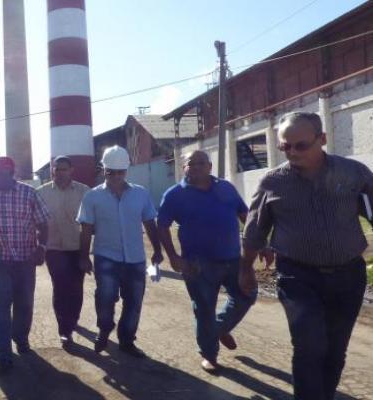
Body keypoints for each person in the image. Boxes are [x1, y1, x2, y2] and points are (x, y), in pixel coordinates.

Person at [240, 112, 373, 400]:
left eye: (300, 145)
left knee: (335, 348)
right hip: (297, 277)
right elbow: (254, 232)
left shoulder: (354, 174)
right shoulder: (273, 183)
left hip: (348, 276)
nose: (292, 153)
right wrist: (246, 269)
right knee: (309, 345)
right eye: (285, 147)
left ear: (322, 139)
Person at [157, 150, 258, 372]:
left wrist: (259, 242)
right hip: (197, 265)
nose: (197, 167)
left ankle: (220, 327)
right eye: (191, 164)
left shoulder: (226, 188)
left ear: (210, 166)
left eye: (202, 163)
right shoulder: (174, 194)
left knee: (247, 294)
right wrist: (173, 257)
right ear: (183, 168)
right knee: (203, 309)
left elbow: (245, 215)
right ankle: (209, 355)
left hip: (233, 259)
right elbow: (162, 225)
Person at [77, 145, 163, 357]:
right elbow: (86, 228)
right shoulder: (92, 197)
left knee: (134, 302)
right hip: (106, 257)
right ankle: (104, 329)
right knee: (105, 297)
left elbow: (150, 222)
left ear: (126, 170)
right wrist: (83, 257)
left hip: (135, 258)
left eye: (120, 172)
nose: (115, 176)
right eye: (110, 172)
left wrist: (157, 250)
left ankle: (127, 340)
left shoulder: (140, 194)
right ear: (103, 170)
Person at [0, 156, 49, 374]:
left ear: (10, 173)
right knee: (1, 302)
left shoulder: (29, 193)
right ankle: (4, 354)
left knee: (24, 302)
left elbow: (43, 222)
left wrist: (42, 247)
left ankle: (21, 338)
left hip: (25, 259)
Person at [37, 156, 90, 344]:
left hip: (77, 248)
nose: (59, 173)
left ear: (71, 170)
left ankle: (72, 320)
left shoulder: (84, 192)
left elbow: (90, 224)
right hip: (54, 250)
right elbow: (36, 222)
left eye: (63, 169)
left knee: (76, 288)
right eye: (56, 169)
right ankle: (64, 330)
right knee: (60, 288)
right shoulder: (41, 193)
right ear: (52, 170)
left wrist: (87, 255)